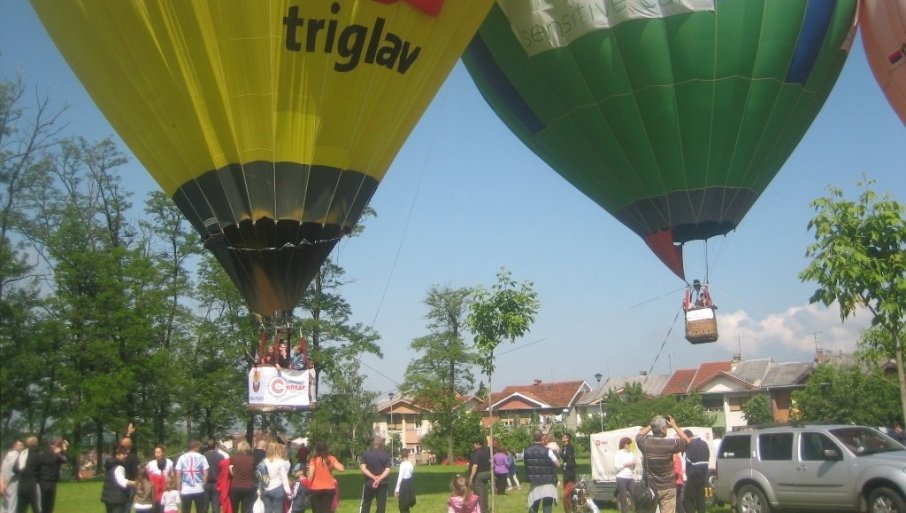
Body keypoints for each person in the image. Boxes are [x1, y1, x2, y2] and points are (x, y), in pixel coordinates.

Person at [635, 415, 691, 513]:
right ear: (662, 430)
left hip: (651, 488)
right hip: (668, 486)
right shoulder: (670, 444)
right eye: (665, 427)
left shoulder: (645, 443)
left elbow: (638, 436)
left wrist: (652, 425)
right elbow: (687, 441)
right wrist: (674, 425)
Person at [524, 429, 560, 513]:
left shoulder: (526, 451)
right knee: (547, 507)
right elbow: (558, 464)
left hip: (534, 482)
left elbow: (526, 463)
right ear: (542, 438)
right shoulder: (548, 451)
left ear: (532, 437)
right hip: (548, 481)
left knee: (534, 506)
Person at [307, 440, 344, 513]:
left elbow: (310, 475)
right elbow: (341, 469)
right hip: (329, 488)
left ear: (316, 449)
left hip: (315, 488)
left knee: (316, 510)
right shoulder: (331, 458)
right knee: (326, 510)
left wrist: (307, 487)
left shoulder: (314, 460)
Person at [358, 435, 392, 513]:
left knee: (366, 504)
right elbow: (387, 470)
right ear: (381, 444)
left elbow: (363, 469)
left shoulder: (366, 454)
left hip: (369, 483)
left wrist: (374, 477)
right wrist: (379, 478)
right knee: (381, 506)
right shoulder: (386, 455)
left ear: (373, 444)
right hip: (382, 484)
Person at [176, 440, 210, 513]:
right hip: (199, 489)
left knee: (185, 511)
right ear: (197, 447)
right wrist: (203, 485)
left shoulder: (182, 457)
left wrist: (179, 490)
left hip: (185, 490)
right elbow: (206, 474)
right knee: (200, 511)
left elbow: (178, 475)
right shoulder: (202, 457)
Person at [37, 437, 68, 513]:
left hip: (42, 479)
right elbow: (65, 460)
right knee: (49, 503)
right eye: (57, 444)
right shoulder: (55, 454)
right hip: (51, 480)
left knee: (43, 501)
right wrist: (64, 450)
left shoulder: (42, 453)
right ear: (52, 445)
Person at [682, 430, 710, 513]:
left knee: (687, 500)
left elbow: (688, 460)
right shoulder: (704, 443)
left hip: (693, 475)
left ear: (686, 437)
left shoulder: (690, 445)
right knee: (701, 500)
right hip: (703, 474)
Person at [101, 447, 136, 513]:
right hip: (117, 499)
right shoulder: (119, 467)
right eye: (123, 454)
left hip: (109, 498)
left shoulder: (110, 465)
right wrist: (136, 483)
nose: (126, 456)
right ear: (117, 455)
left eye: (126, 454)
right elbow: (122, 481)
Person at [261, 442, 293, 513]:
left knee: (267, 510)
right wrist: (288, 491)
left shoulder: (263, 461)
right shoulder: (280, 462)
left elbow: (260, 476)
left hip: (266, 488)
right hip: (277, 488)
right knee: (278, 510)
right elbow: (284, 478)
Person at [13, 435, 41, 513]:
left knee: (20, 509)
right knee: (36, 508)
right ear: (36, 444)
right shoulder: (39, 456)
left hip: (22, 485)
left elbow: (15, 469)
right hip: (33, 485)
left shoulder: (23, 455)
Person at [229, 441, 258, 513]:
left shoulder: (234, 458)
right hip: (249, 486)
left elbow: (230, 471)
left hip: (236, 486)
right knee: (247, 509)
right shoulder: (252, 459)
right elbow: (255, 472)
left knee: (234, 509)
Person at [146, 444, 174, 513]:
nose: (157, 454)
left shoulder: (169, 462)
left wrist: (171, 487)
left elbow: (172, 476)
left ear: (163, 453)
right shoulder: (150, 464)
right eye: (156, 452)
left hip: (165, 490)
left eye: (159, 452)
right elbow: (146, 477)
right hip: (154, 491)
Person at [467, 438, 490, 513]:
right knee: (485, 493)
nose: (473, 445)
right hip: (486, 473)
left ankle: (481, 510)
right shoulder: (486, 451)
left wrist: (471, 477)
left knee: (479, 494)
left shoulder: (477, 453)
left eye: (474, 443)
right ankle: (485, 509)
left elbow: (475, 466)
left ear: (478, 444)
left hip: (479, 475)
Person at [613, 437, 635, 513]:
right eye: (627, 443)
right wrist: (625, 464)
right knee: (623, 497)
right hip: (621, 477)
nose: (629, 445)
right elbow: (616, 467)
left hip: (630, 477)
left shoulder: (631, 453)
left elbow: (632, 467)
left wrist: (633, 465)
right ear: (623, 444)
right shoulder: (618, 453)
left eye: (629, 443)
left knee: (635, 495)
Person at [0, 440, 23, 513]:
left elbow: (2, 469)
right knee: (12, 505)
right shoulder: (17, 456)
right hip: (13, 482)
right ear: (15, 446)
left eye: (22, 445)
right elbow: (13, 471)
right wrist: (5, 485)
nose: (22, 447)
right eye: (20, 445)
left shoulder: (8, 455)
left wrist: (2, 484)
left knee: (5, 504)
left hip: (4, 482)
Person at [204, 439, 225, 513]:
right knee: (216, 507)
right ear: (215, 446)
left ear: (207, 446)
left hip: (205, 483)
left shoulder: (203, 456)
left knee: (204, 507)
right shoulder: (220, 456)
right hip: (217, 483)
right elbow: (223, 470)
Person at [394, 448, 415, 513]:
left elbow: (400, 477)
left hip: (404, 484)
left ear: (401, 455)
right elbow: (411, 473)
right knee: (407, 504)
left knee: (403, 506)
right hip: (409, 484)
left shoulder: (402, 465)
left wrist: (397, 489)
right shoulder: (410, 464)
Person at [560, 433, 577, 513]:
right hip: (565, 470)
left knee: (569, 488)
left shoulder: (570, 447)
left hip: (570, 471)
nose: (562, 438)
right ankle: (567, 504)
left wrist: (560, 453)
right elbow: (564, 457)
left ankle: (571, 505)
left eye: (564, 437)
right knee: (565, 487)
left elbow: (567, 457)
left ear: (568, 439)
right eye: (562, 437)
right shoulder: (564, 447)